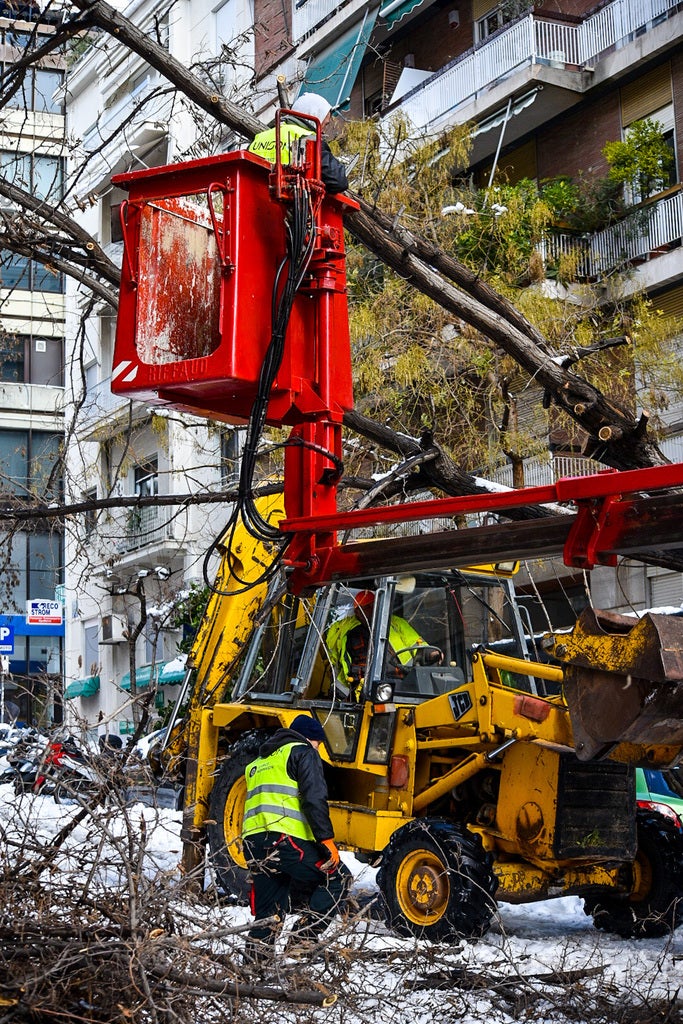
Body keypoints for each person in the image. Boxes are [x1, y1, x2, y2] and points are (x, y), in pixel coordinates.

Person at [241, 713, 348, 959]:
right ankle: (302, 940)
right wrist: (326, 841)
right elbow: (314, 799)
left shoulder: (258, 762)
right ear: (311, 739)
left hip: (253, 843)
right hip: (284, 839)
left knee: (269, 911)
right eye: (319, 743)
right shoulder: (303, 752)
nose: (319, 749)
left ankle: (253, 968)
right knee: (338, 878)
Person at [326, 590, 439, 698]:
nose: (372, 610)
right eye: (366, 608)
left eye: (373, 605)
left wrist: (430, 653)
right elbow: (354, 667)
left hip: (405, 681)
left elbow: (416, 643)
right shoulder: (351, 632)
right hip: (372, 688)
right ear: (357, 611)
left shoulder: (395, 623)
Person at [248, 92, 348, 194]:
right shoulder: (309, 139)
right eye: (325, 124)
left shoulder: (259, 138)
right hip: (286, 203)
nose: (323, 131)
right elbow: (338, 182)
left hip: (253, 198)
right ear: (314, 116)